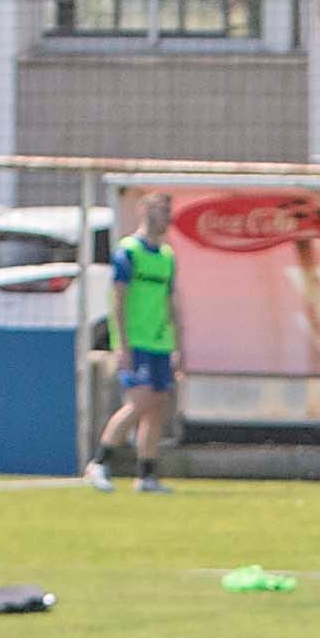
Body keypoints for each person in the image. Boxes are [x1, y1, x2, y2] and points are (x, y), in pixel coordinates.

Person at [94, 190, 182, 492]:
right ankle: (100, 461)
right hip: (137, 342)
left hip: (160, 343)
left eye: (168, 211)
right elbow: (117, 300)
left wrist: (177, 345)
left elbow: (171, 303)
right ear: (143, 211)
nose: (166, 216)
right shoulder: (128, 251)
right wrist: (121, 343)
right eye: (160, 209)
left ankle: (146, 474)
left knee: (157, 406)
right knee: (140, 402)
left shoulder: (167, 256)